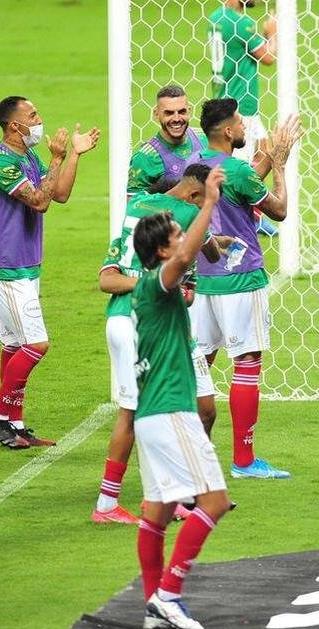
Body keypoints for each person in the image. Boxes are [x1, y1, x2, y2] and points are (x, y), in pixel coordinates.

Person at [93, 165, 226, 524]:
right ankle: (110, 504)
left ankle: (182, 491)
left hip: (158, 329)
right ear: (194, 198)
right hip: (136, 326)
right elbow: (204, 257)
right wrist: (156, 288)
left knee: (201, 407)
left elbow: (189, 285)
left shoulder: (138, 207)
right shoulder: (185, 218)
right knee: (137, 413)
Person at [130, 166, 232, 629]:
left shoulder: (153, 291)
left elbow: (191, 255)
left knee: (157, 512)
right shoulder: (156, 281)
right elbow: (190, 252)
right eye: (176, 231)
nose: (183, 231)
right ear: (162, 250)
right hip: (171, 412)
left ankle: (154, 599)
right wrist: (209, 200)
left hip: (151, 415)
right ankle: (169, 593)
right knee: (212, 502)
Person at [191, 98, 301, 478]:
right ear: (227, 131)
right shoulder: (237, 170)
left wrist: (268, 158)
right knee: (248, 362)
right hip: (241, 278)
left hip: (203, 280)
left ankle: (193, 452)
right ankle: (244, 460)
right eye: (240, 123)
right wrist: (281, 166)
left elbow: (241, 181)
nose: (244, 128)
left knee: (201, 365)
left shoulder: (195, 163)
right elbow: (279, 209)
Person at [0, 96, 99, 449]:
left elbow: (59, 194)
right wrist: (56, 157)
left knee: (14, 344)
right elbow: (39, 202)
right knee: (36, 345)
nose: (39, 120)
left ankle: (15, 424)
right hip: (7, 268)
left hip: (26, 265)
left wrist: (74, 155)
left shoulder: (29, 157)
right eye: (33, 115)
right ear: (14, 126)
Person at [208, 0, 278, 234]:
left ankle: (256, 216)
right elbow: (269, 58)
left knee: (265, 153)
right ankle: (234, 222)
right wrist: (272, 31)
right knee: (241, 170)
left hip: (227, 97)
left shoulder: (216, 18)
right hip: (240, 106)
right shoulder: (243, 23)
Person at [126, 84, 205, 196]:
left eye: (182, 112)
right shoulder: (145, 158)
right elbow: (132, 203)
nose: (177, 119)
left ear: (189, 111)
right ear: (156, 114)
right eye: (169, 113)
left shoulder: (205, 138)